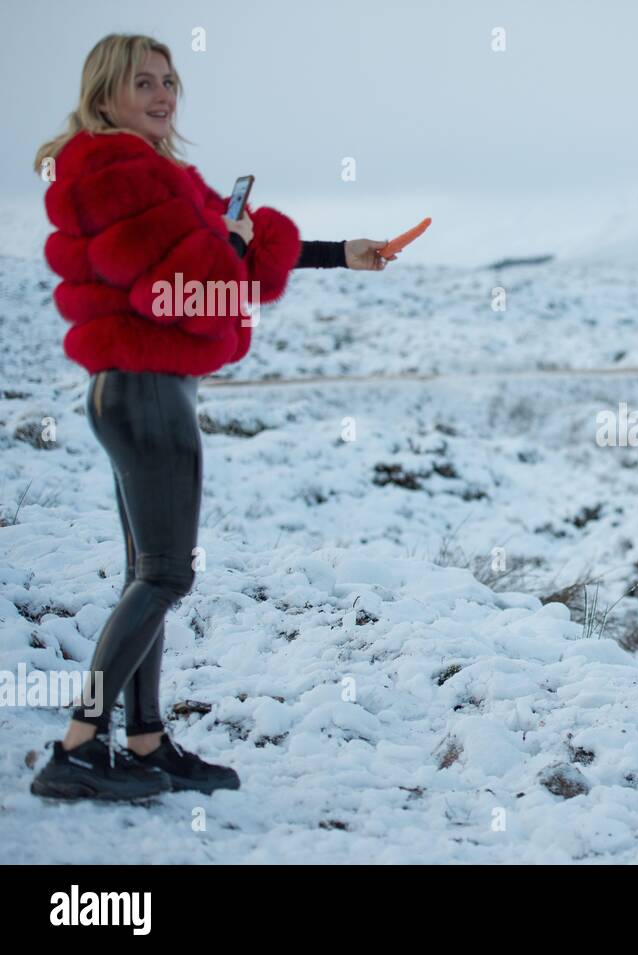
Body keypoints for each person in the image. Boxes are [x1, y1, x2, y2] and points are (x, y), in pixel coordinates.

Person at [29, 33, 396, 800]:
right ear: (105, 98)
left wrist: (341, 253)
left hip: (134, 387)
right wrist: (223, 243)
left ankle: (145, 739)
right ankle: (77, 748)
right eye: (144, 84)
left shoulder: (156, 173)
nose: (163, 95)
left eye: (170, 81)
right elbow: (179, 290)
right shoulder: (118, 171)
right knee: (164, 574)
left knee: (148, 574)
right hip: (147, 388)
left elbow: (233, 250)